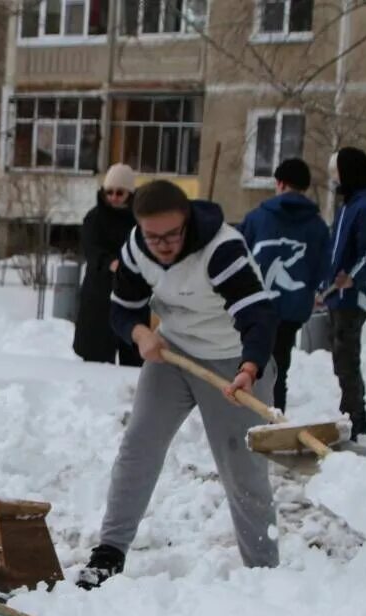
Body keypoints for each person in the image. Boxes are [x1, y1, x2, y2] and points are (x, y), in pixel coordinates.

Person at [77, 180, 280, 589]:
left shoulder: (222, 250)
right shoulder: (136, 247)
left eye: (171, 235)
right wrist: (140, 334)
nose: (163, 245)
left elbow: (258, 316)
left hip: (232, 360)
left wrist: (250, 367)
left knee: (241, 467)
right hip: (172, 355)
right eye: (154, 236)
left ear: (186, 222)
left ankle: (264, 573)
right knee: (139, 445)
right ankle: (108, 554)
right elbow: (121, 309)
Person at [238, 157, 330, 411]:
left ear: (279, 183)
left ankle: (244, 416)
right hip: (292, 310)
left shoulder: (257, 218)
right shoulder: (317, 226)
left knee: (249, 361)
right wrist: (312, 291)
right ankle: (274, 418)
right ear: (305, 187)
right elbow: (323, 267)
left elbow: (237, 255)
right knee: (279, 366)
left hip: (254, 307)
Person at [323, 147, 366, 440]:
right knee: (342, 357)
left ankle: (356, 420)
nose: (334, 179)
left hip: (354, 296)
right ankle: (350, 413)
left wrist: (352, 277)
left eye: (337, 173)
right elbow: (337, 250)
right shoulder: (349, 206)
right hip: (339, 295)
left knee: (346, 357)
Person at [74, 163, 143, 366]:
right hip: (99, 292)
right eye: (109, 192)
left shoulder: (139, 219)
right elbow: (92, 249)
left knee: (133, 354)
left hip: (132, 291)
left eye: (119, 193)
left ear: (129, 193)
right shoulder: (94, 218)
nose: (113, 197)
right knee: (96, 355)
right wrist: (110, 263)